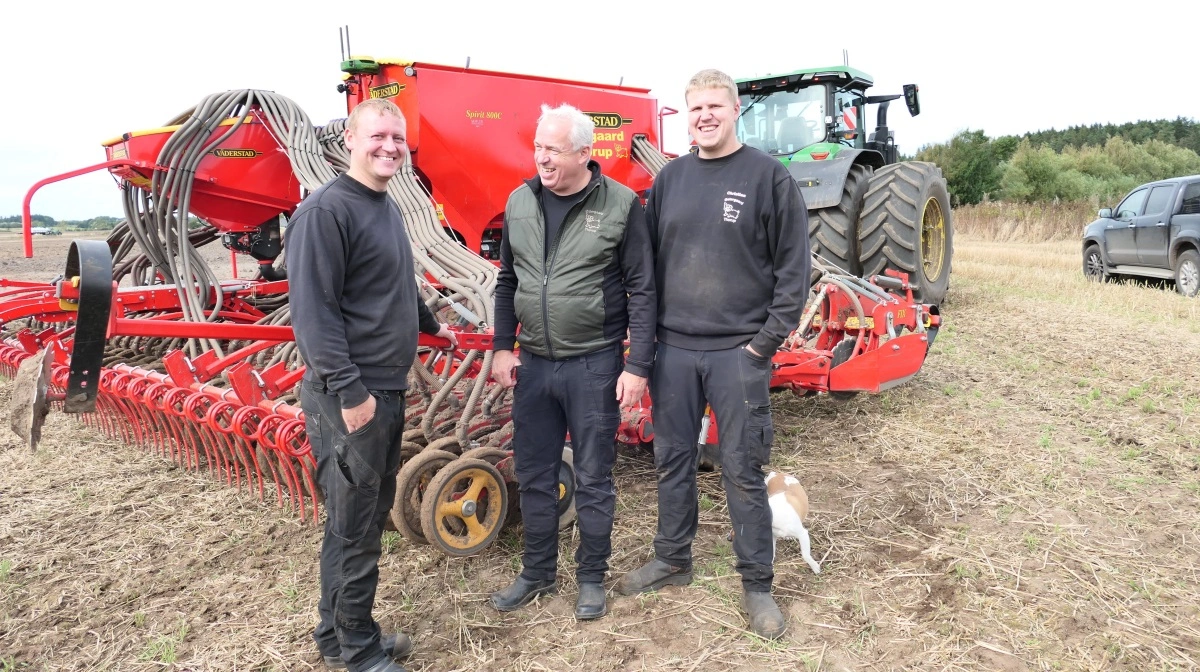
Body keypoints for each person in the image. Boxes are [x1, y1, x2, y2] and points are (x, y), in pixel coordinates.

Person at [614, 69, 811, 640]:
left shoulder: (768, 178)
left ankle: (757, 585)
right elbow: (646, 273)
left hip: (737, 353)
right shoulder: (670, 180)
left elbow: (792, 274)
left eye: (714, 107)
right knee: (672, 459)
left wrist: (761, 346)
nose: (704, 116)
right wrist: (645, 349)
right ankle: (673, 558)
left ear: (734, 111)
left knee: (742, 468)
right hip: (674, 351)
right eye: (695, 108)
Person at [288, 97, 457, 672]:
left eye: (397, 139)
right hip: (351, 399)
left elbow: (397, 283)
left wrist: (434, 329)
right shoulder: (325, 213)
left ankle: (338, 636)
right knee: (357, 526)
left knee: (355, 520)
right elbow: (314, 315)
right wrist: (351, 392)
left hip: (381, 390)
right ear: (350, 141)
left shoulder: (384, 208)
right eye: (377, 137)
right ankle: (359, 651)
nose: (389, 147)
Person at [489, 103, 656, 621]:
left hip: (594, 365)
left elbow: (643, 290)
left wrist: (637, 366)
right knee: (536, 473)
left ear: (585, 153)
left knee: (593, 475)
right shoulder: (519, 202)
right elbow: (508, 281)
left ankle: (591, 578)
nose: (542, 157)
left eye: (553, 149)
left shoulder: (622, 206)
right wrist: (501, 345)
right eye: (538, 147)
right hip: (535, 365)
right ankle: (537, 573)